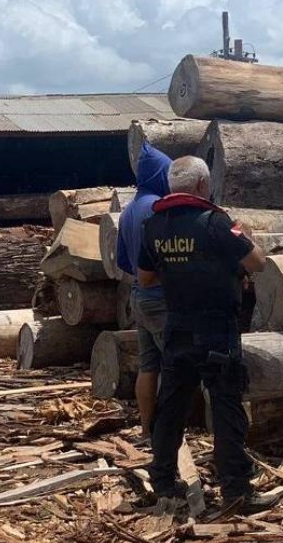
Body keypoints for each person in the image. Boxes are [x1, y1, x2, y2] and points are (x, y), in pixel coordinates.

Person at [137, 156, 272, 511]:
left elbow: (145, 277)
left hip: (177, 326)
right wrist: (242, 236)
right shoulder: (216, 223)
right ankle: (237, 490)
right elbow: (257, 263)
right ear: (201, 186)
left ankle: (164, 482)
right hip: (217, 328)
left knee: (171, 407)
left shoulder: (155, 226)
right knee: (227, 407)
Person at [117, 141, 172, 442]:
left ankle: (147, 428)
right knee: (179, 363)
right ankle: (170, 432)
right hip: (162, 298)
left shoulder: (128, 213)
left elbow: (123, 261)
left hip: (139, 297)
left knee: (149, 364)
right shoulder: (158, 210)